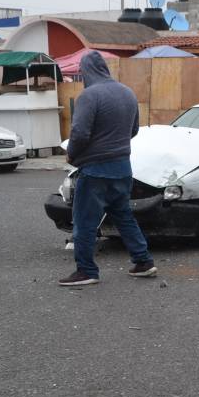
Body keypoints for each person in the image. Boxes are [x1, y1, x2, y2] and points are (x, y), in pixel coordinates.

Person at [60, 51, 157, 286]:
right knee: (123, 215)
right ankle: (143, 261)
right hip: (123, 168)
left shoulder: (89, 96)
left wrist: (72, 153)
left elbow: (80, 132)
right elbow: (133, 130)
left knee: (84, 221)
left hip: (96, 171)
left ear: (86, 72)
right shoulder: (127, 92)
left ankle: (86, 270)